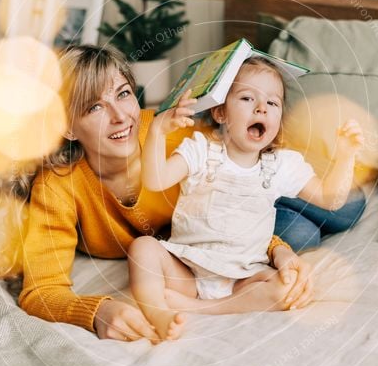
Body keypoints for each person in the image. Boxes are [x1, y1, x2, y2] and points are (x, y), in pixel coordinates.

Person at [17, 45, 364, 342]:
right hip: (193, 247)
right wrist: (96, 311)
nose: (121, 116)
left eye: (123, 94)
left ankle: (329, 169)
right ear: (67, 126)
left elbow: (232, 192)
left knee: (347, 207)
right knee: (304, 231)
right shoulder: (58, 185)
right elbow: (41, 291)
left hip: (241, 200)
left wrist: (279, 252)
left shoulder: (172, 133)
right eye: (95, 107)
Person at [127, 58, 363, 341]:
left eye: (272, 103)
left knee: (286, 288)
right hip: (188, 270)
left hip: (244, 277)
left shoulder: (282, 165)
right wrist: (156, 131)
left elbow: (331, 199)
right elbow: (155, 180)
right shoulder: (201, 151)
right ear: (220, 112)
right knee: (143, 248)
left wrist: (346, 156)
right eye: (247, 97)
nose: (261, 107)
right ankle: (156, 312)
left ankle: (202, 309)